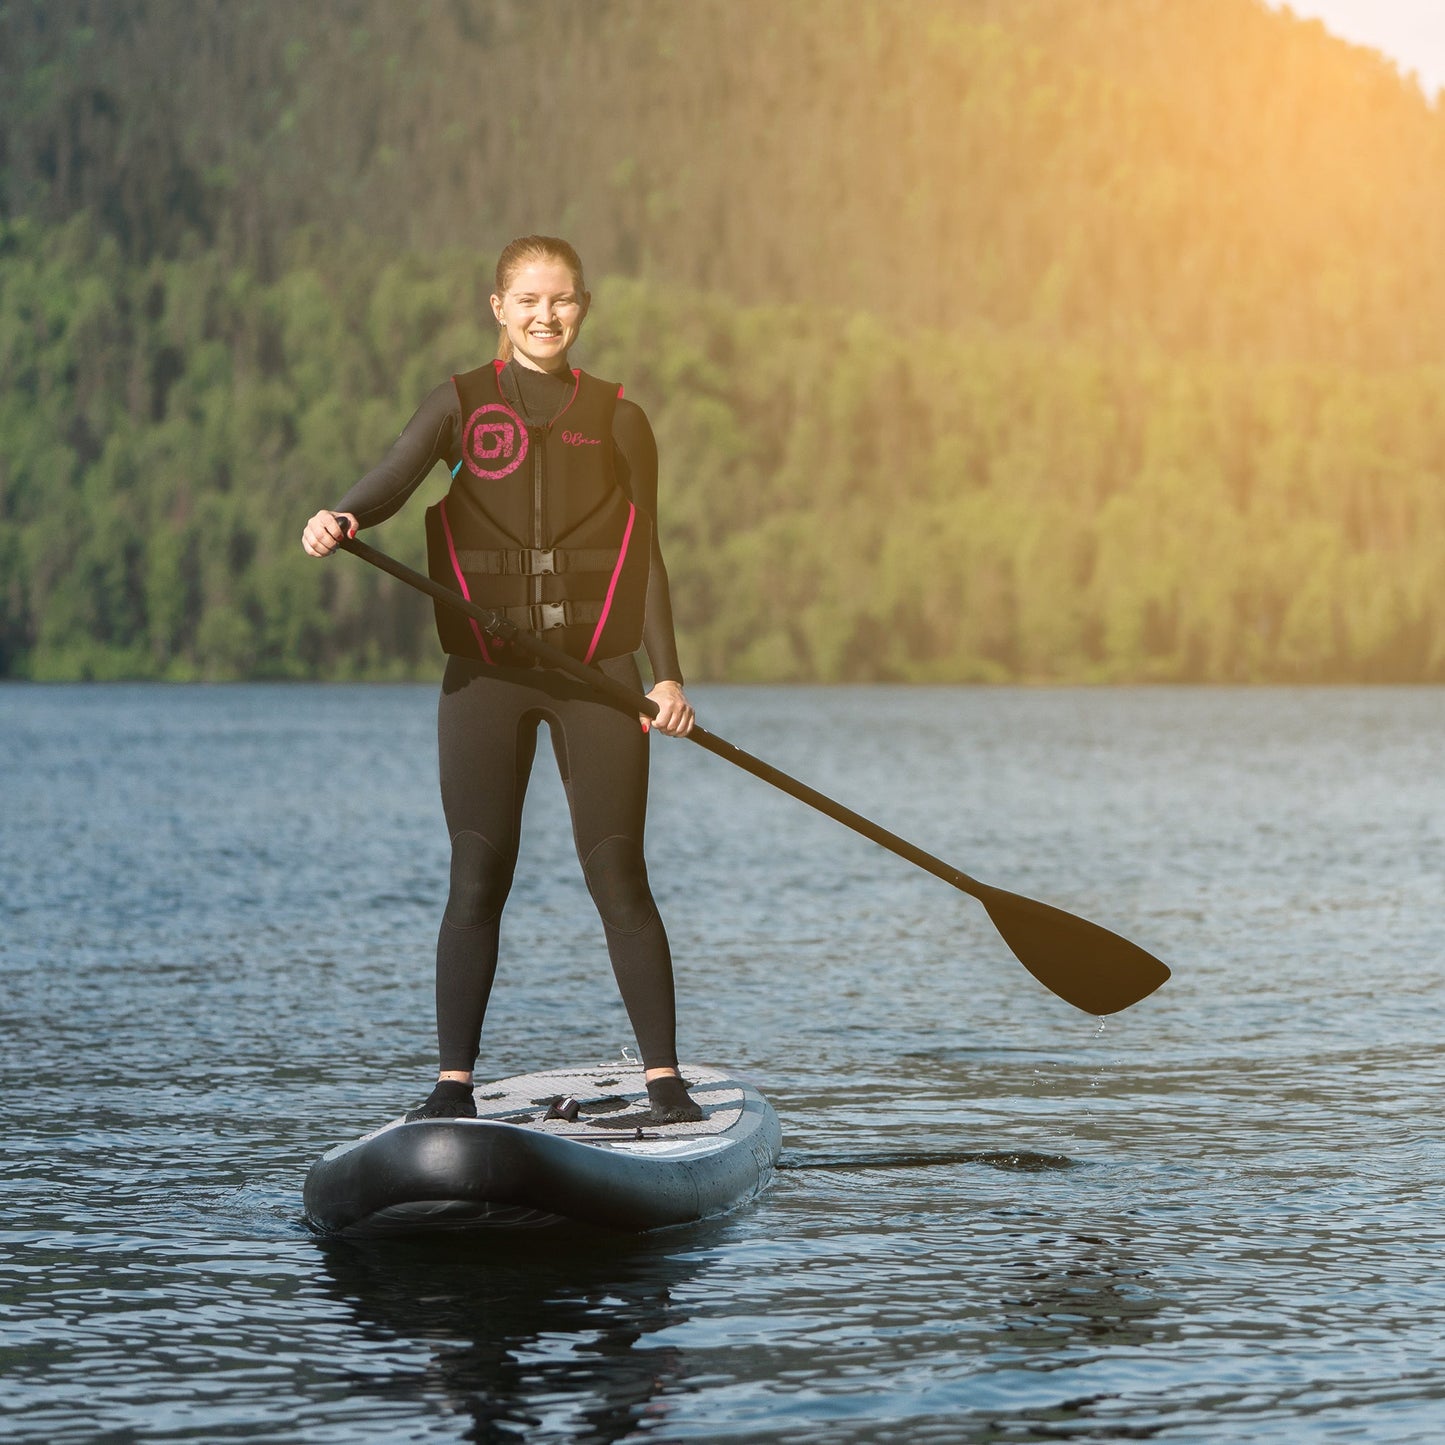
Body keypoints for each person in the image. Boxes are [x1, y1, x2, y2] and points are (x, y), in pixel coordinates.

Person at [301, 235, 703, 1124]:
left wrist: (666, 679)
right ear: (497, 307)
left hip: (599, 672)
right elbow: (396, 481)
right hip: (484, 675)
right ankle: (453, 1088)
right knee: (477, 874)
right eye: (527, 299)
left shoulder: (620, 416)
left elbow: (648, 557)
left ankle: (666, 1085)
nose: (544, 315)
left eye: (561, 300)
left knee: (618, 874)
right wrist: (345, 514)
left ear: (583, 307)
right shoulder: (457, 403)